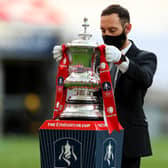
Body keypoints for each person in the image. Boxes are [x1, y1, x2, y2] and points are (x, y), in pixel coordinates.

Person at [53, 4, 157, 168]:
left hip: (128, 137)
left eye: (112, 30)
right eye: (103, 30)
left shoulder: (145, 57)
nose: (106, 35)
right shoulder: (96, 57)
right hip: (97, 132)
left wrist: (121, 60)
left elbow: (145, 78)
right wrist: (68, 60)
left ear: (127, 28)